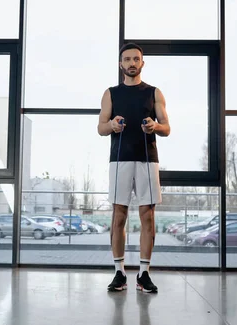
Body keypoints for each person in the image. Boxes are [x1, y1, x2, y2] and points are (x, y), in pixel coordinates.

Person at [97, 43, 171, 293]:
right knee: (119, 216)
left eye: (135, 59)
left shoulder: (154, 93)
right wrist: (113, 126)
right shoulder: (110, 93)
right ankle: (119, 272)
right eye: (127, 59)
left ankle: (144, 273)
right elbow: (101, 128)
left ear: (142, 63)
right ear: (121, 64)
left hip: (147, 160)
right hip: (119, 160)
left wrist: (155, 126)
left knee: (147, 217)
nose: (131, 63)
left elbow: (167, 128)